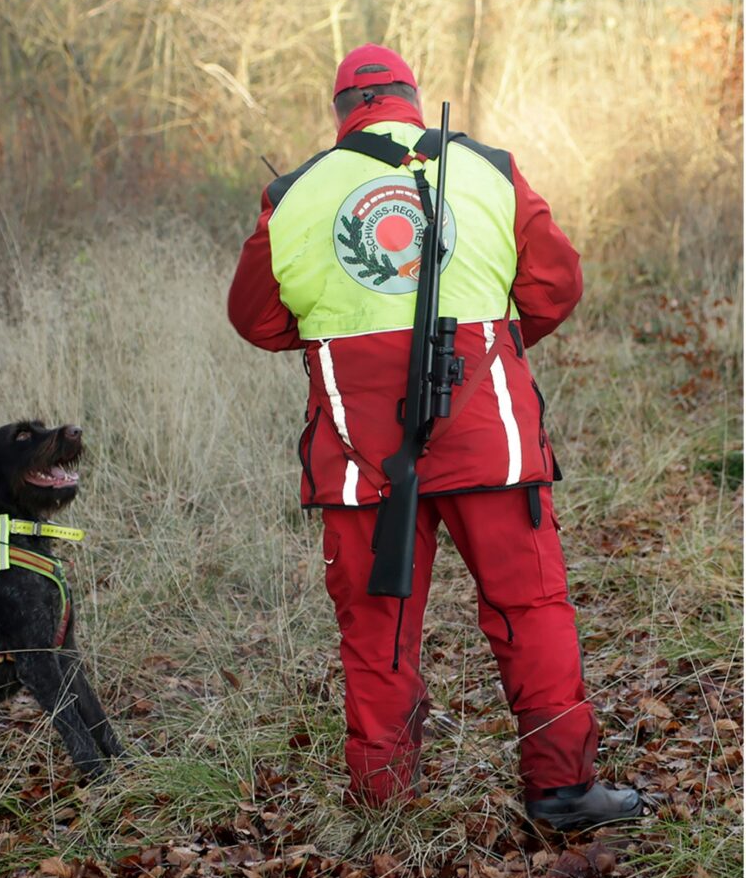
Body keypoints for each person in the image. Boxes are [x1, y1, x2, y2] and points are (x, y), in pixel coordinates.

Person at [227, 44, 643, 831]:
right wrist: (496, 354)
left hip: (358, 453)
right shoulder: (490, 169)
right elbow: (555, 285)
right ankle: (562, 790)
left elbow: (255, 318)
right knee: (532, 606)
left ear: (343, 112)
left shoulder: (294, 195)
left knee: (376, 626)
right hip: (494, 440)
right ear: (412, 101)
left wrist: (337, 343)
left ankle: (384, 802)